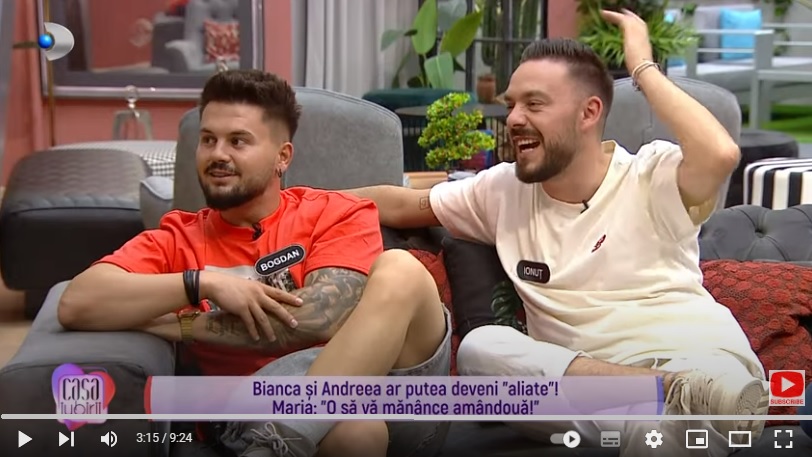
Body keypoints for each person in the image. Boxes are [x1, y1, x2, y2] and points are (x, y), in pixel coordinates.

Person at [348, 10, 768, 457]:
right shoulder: (502, 189)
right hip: (587, 387)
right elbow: (401, 203)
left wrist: (642, 67)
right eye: (511, 104)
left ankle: (683, 401)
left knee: (661, 428)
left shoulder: (653, 174)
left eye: (534, 104)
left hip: (700, 364)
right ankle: (670, 394)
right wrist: (302, 198)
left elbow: (720, 153)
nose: (513, 118)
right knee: (481, 349)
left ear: (589, 112)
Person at [57, 69, 451, 457]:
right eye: (208, 140)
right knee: (355, 432)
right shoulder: (178, 238)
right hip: (256, 406)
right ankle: (283, 437)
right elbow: (76, 303)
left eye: (238, 141)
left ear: (282, 157)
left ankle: (282, 437)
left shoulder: (335, 213)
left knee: (401, 270)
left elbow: (317, 320)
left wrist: (182, 324)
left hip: (386, 392)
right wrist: (202, 283)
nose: (218, 154)